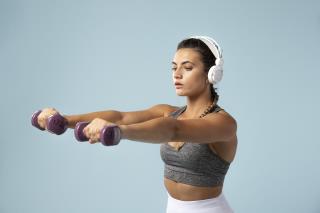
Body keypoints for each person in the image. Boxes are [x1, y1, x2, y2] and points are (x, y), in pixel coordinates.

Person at [34, 36, 237, 213]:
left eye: (188, 67)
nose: (177, 74)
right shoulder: (168, 111)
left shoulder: (224, 124)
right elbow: (120, 117)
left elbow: (173, 129)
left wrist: (119, 132)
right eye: (174, 67)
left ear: (212, 74)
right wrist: (65, 120)